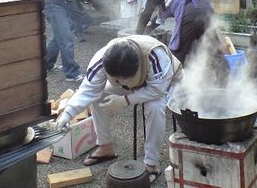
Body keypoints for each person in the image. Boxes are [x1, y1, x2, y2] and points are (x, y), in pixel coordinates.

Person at [55, 35, 181, 184]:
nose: (116, 82)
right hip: (137, 84)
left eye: (120, 79)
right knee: (99, 94)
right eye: (113, 78)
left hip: (165, 82)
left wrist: (124, 100)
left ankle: (151, 165)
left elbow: (158, 90)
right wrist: (68, 113)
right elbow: (88, 90)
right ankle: (105, 146)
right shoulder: (102, 58)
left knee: (155, 107)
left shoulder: (156, 55)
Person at [136, 0, 213, 64]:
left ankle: (176, 76)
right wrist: (146, 31)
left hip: (191, 12)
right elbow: (158, 19)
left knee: (177, 51)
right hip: (207, 10)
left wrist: (137, 35)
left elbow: (146, 13)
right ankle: (222, 75)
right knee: (205, 47)